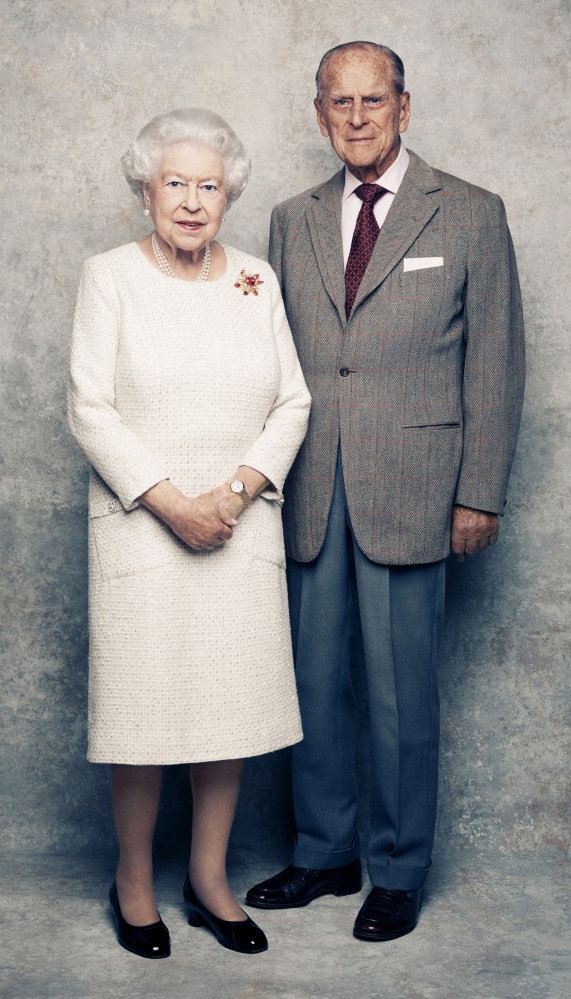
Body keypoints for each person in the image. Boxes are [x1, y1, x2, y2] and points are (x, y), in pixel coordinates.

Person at [246, 41, 525, 941]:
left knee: (401, 694)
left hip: (416, 488)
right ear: (318, 111)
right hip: (308, 493)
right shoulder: (290, 219)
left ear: (403, 107)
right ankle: (325, 852)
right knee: (313, 686)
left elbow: (496, 364)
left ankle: (398, 869)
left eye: (373, 101)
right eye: (339, 102)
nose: (356, 117)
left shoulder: (472, 213)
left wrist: (477, 489)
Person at [67, 108, 311, 958]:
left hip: (238, 528)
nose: (193, 200)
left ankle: (209, 879)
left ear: (228, 196)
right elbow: (88, 407)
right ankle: (134, 880)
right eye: (176, 182)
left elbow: (293, 399)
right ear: (145, 189)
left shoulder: (255, 279)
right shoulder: (109, 276)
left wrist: (235, 494)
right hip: (144, 529)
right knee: (143, 716)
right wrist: (173, 502)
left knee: (226, 710)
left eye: (210, 185)